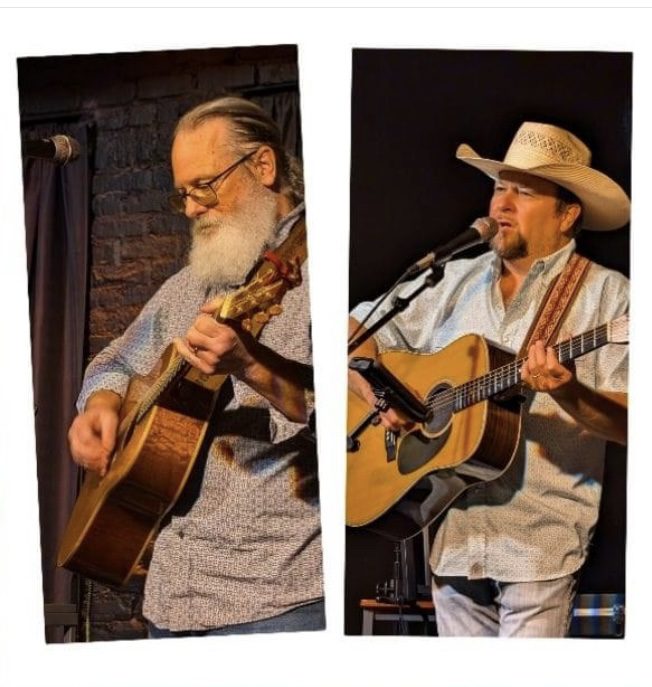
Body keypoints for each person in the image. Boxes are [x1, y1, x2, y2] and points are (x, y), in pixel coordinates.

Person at [348, 121, 629, 637]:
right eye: (500, 186)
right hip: (451, 537)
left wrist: (568, 389)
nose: (502, 204)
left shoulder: (610, 297)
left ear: (568, 215)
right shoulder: (452, 281)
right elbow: (352, 332)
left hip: (537, 544)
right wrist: (380, 394)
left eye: (524, 192)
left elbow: (634, 422)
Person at [68, 96, 324, 636]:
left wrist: (250, 365)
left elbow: (352, 415)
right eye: (183, 193)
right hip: (170, 597)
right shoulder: (188, 286)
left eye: (204, 186)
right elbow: (113, 358)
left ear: (262, 166)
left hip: (277, 598)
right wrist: (101, 401)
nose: (189, 209)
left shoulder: (319, 271)